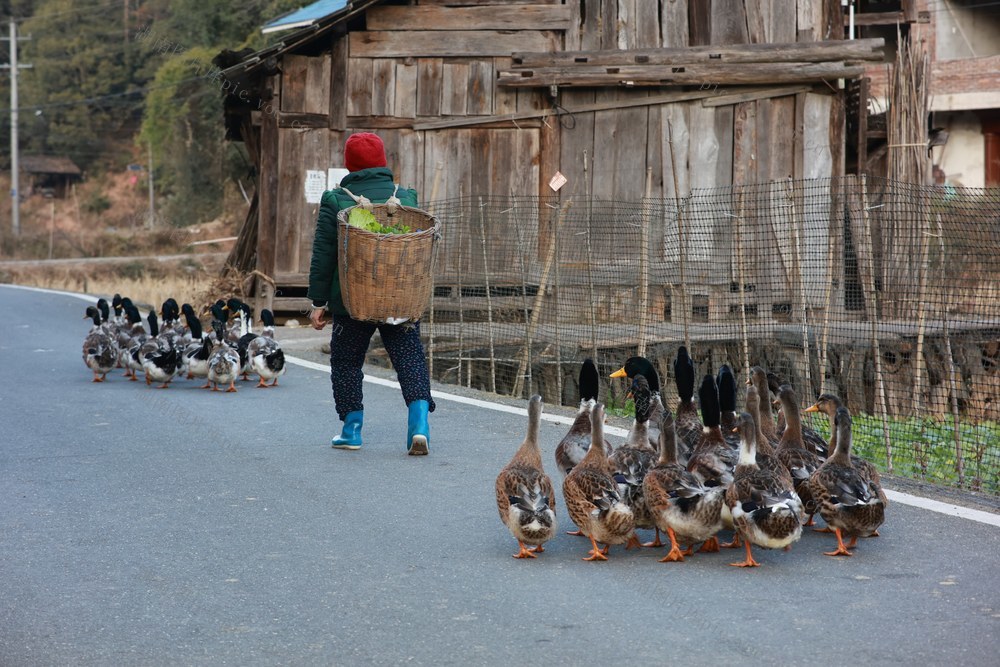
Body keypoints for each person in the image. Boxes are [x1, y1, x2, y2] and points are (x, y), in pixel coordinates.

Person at [307, 132, 436, 455]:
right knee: (410, 358)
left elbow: (324, 255)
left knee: (347, 361)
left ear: (349, 164)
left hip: (353, 300)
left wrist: (319, 302)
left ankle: (351, 430)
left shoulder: (336, 200)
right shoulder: (405, 198)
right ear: (382, 162)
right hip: (399, 297)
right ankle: (419, 426)